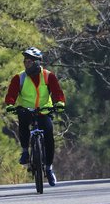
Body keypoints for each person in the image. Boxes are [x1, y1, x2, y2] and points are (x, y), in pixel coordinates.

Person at [4, 47, 65, 186]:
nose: (26, 64)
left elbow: (57, 91)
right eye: (25, 61)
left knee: (49, 134)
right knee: (23, 124)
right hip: (25, 109)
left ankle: (49, 168)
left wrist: (60, 102)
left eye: (29, 61)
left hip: (44, 110)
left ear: (37, 62)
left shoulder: (48, 76)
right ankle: (25, 151)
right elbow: (12, 93)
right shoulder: (19, 77)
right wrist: (10, 104)